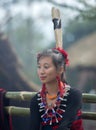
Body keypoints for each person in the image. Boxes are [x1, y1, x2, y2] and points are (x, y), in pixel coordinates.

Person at [30, 47, 84, 130]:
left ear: (60, 69)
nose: (41, 71)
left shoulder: (73, 95)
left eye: (46, 67)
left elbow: (64, 127)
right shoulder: (36, 100)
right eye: (39, 67)